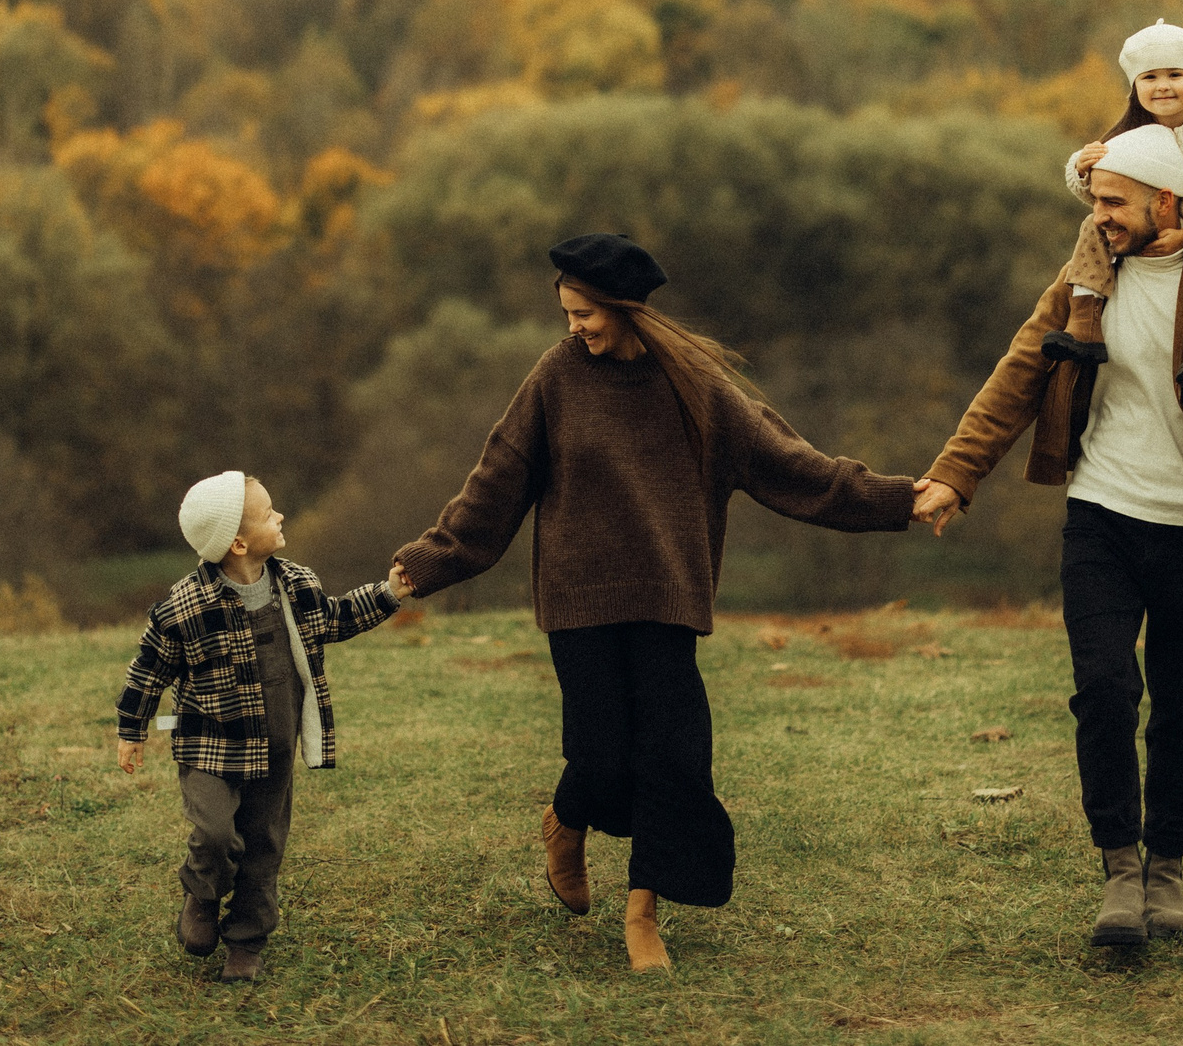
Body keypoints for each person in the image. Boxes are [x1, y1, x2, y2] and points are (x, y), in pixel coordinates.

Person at [389, 233, 926, 973]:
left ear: (625, 307)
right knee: (601, 756)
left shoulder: (698, 385)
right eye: (567, 313)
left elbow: (793, 466)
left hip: (667, 598)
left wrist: (900, 498)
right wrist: (433, 558)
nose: (574, 327)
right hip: (579, 600)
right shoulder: (556, 376)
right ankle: (566, 819)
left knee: (673, 759)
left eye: (584, 313)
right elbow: (499, 478)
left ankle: (641, 914)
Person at [909, 127, 1183, 947]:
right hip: (1104, 513)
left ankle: (1168, 871)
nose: (1100, 216)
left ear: (1166, 200)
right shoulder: (1086, 279)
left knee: (1182, 707)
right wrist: (957, 471)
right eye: (1095, 200)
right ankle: (1121, 869)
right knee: (1103, 690)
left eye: (1115, 202)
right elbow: (1020, 371)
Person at [114, 470, 404, 980]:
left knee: (263, 844)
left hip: (275, 744)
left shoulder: (296, 586)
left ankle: (246, 943)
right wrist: (131, 730)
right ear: (240, 543)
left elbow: (336, 617)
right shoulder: (184, 607)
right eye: (270, 513)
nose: (281, 516)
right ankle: (202, 895)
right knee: (214, 833)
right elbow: (149, 668)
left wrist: (389, 592)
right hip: (209, 745)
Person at [1053, 19, 1183, 393]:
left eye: (1174, 75)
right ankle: (1085, 322)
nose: (1162, 85)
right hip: (1155, 220)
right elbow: (1109, 193)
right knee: (1093, 226)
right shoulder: (1129, 135)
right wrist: (1081, 169)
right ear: (1135, 87)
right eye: (1149, 77)